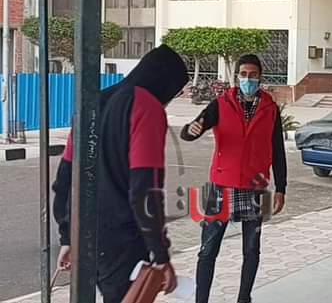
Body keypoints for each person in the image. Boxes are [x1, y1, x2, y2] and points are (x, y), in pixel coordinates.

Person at [52, 45, 189, 302]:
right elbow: (144, 189)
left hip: (86, 234)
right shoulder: (146, 106)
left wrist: (68, 236)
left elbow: (65, 178)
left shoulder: (93, 103)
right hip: (123, 242)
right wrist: (160, 255)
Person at [180, 54, 287, 303]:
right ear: (237, 77)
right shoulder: (220, 104)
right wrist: (191, 130)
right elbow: (192, 130)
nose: (248, 79)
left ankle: (244, 298)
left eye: (253, 75)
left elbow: (278, 150)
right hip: (222, 187)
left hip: (256, 187)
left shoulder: (270, 109)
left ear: (260, 77)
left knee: (251, 249)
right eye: (244, 75)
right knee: (208, 250)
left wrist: (281, 187)